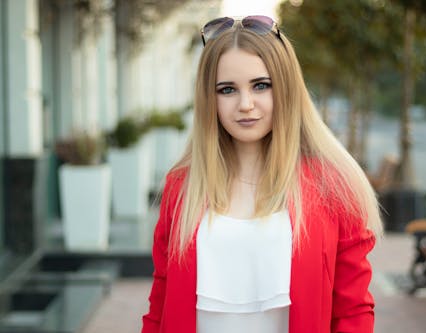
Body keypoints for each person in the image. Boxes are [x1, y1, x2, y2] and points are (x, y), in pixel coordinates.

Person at [141, 15, 383, 333]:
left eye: (261, 85)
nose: (245, 104)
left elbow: (353, 312)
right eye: (227, 90)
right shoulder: (181, 187)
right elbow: (160, 305)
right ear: (208, 99)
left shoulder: (332, 186)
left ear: (285, 88)